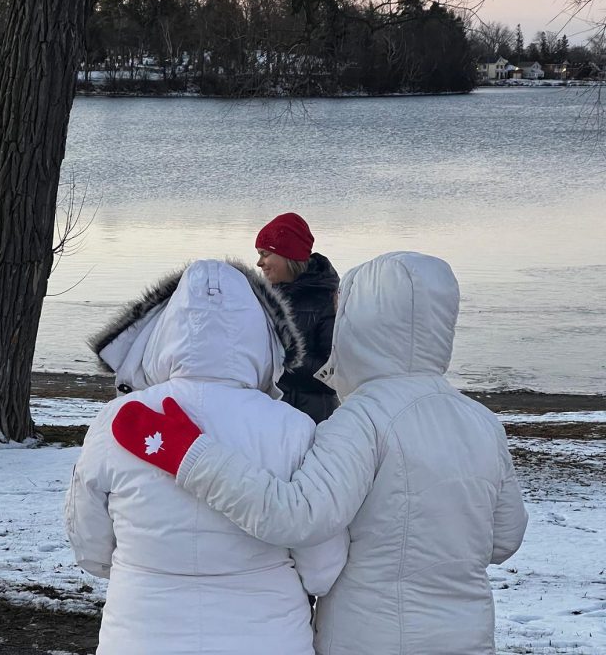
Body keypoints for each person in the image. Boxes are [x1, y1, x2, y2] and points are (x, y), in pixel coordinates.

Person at [112, 251, 529, 655]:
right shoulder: (482, 422)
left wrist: (191, 456)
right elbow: (504, 538)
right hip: (467, 634)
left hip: (369, 635)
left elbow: (296, 516)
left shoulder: (363, 420)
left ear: (360, 324)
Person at [66, 260, 349, 655]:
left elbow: (90, 546)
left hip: (141, 632)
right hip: (265, 636)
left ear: (163, 332)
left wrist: (146, 566)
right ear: (261, 334)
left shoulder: (118, 422)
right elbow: (321, 563)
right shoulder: (294, 429)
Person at [255, 212, 339, 422]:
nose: (259, 263)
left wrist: (280, 356)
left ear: (287, 255)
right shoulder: (262, 297)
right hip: (271, 414)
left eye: (265, 254)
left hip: (314, 418)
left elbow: (332, 374)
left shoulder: (329, 299)